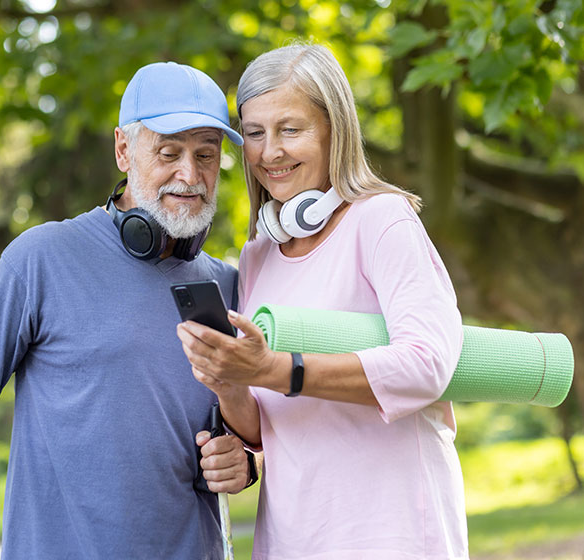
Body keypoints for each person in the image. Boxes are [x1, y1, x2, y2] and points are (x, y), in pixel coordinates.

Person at [0, 61, 257, 558]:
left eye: (206, 155)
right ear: (123, 149)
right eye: (169, 152)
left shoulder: (230, 286)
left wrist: (247, 462)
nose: (190, 175)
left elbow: (265, 430)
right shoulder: (41, 259)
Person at [176, 42, 469, 558]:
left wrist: (274, 369)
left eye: (291, 129)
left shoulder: (382, 220)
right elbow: (266, 427)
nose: (271, 152)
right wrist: (230, 382)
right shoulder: (259, 254)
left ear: (335, 130)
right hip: (293, 539)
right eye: (254, 133)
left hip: (391, 534)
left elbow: (428, 366)